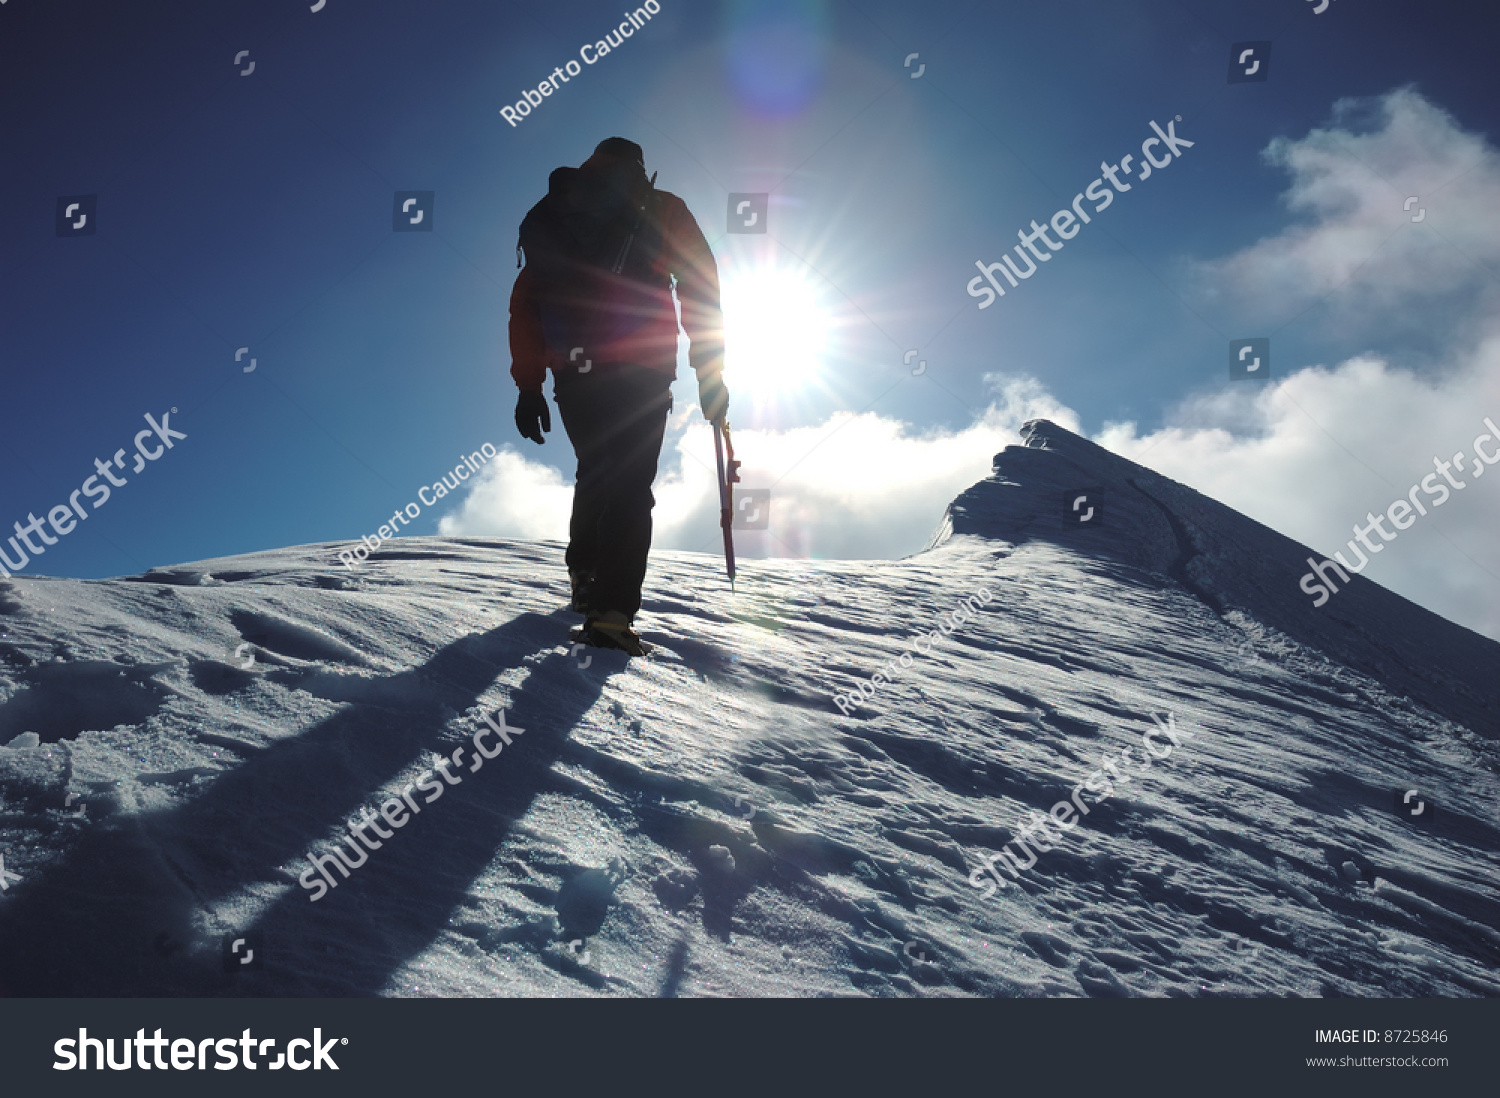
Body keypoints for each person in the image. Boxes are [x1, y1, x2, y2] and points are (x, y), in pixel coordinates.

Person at [510, 137, 728, 656]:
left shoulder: (556, 209)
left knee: (595, 468)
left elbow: (526, 303)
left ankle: (585, 574)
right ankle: (611, 613)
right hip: (641, 366)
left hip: (574, 371)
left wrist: (529, 386)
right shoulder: (659, 206)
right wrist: (710, 370)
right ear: (639, 165)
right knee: (630, 482)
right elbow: (701, 285)